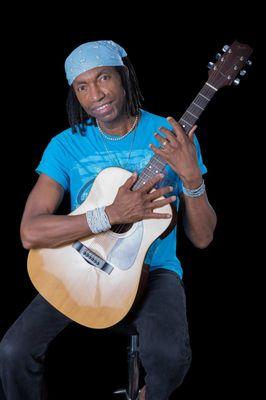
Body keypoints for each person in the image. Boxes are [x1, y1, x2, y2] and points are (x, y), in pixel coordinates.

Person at [0, 40, 217, 400]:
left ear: (124, 76)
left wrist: (193, 179)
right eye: (82, 86)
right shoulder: (65, 146)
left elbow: (203, 238)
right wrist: (110, 215)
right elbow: (30, 232)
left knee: (169, 357)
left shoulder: (172, 138)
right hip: (78, 263)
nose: (95, 94)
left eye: (103, 78)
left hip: (153, 271)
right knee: (13, 351)